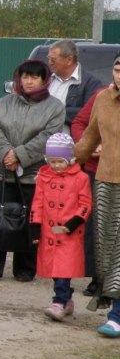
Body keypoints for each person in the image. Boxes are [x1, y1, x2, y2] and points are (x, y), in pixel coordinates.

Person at [0, 59, 65, 281]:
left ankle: (25, 268)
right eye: (25, 76)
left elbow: (48, 136)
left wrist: (20, 155)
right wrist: (7, 154)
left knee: (30, 218)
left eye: (34, 77)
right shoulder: (5, 102)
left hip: (33, 173)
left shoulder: (54, 107)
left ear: (44, 80)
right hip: (2, 170)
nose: (29, 81)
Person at [75, 54, 120, 336]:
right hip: (106, 182)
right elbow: (90, 136)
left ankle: (116, 315)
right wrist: (68, 159)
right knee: (107, 250)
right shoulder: (103, 99)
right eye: (118, 67)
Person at [32, 133, 91, 322]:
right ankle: (67, 299)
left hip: (70, 232)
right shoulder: (44, 176)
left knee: (63, 269)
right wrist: (34, 226)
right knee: (55, 270)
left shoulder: (80, 178)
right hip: (49, 232)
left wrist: (74, 222)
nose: (56, 165)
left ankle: (59, 301)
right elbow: (37, 203)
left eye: (60, 161)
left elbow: (86, 204)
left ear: (69, 159)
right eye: (52, 161)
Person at [71, 83, 108, 297]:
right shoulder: (101, 95)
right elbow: (80, 123)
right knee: (97, 226)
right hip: (98, 170)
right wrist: (90, 145)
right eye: (117, 70)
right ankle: (97, 278)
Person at [47, 39, 103, 131]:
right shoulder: (45, 79)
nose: (49, 62)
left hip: (71, 141)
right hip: (41, 139)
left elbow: (90, 114)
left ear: (69, 60)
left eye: (53, 59)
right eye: (48, 58)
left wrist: (54, 113)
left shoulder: (91, 83)